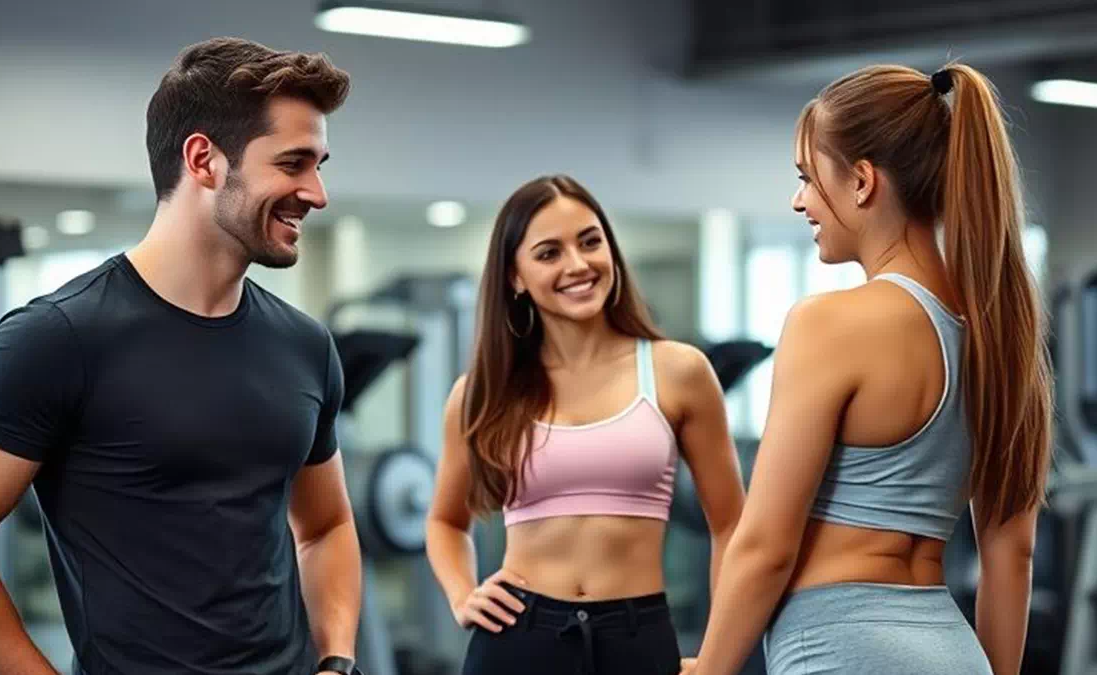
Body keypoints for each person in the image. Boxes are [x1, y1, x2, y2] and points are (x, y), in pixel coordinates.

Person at [0, 37, 366, 675]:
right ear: (204, 160)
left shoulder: (304, 345)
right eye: (293, 164)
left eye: (319, 165)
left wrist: (336, 660)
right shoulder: (60, 336)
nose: (316, 193)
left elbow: (325, 527)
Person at [682, 64, 1053, 675]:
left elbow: (766, 546)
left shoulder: (829, 324)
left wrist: (712, 668)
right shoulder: (998, 335)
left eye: (807, 177)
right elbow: (1013, 552)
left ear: (861, 181)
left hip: (839, 649)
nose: (799, 200)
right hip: (954, 652)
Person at [425, 174, 746, 675]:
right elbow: (445, 522)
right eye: (549, 253)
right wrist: (463, 595)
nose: (578, 265)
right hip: (517, 638)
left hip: (637, 636)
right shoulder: (481, 393)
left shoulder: (677, 371)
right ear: (515, 276)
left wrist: (720, 659)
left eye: (590, 242)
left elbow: (731, 527)